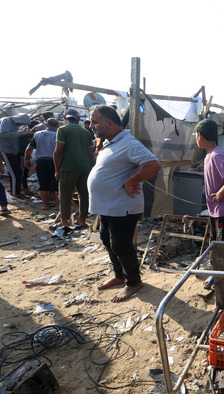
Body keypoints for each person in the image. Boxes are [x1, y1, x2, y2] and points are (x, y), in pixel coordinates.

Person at [88, 104, 161, 302]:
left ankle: (133, 282)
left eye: (95, 122)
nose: (91, 125)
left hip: (123, 206)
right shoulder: (109, 142)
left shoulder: (129, 143)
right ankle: (120, 276)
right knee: (106, 238)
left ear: (109, 123)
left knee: (121, 244)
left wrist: (131, 181)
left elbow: (153, 164)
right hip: (108, 205)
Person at [195, 119, 224, 290]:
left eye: (196, 135)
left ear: (200, 136)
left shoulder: (216, 155)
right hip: (215, 211)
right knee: (217, 243)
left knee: (222, 246)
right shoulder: (208, 156)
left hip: (223, 211)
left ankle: (222, 279)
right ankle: (219, 274)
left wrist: (221, 192)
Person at [54, 109, 94, 229]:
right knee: (84, 195)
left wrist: (57, 170)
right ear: (78, 120)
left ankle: (65, 222)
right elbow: (90, 154)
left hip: (67, 168)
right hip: (84, 168)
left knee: (65, 195)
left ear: (66, 119)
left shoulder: (62, 130)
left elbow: (58, 152)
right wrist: (89, 167)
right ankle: (82, 221)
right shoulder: (87, 133)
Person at [25, 118, 59, 210]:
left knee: (43, 184)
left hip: (41, 161)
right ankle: (57, 205)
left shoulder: (37, 134)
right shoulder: (58, 135)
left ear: (46, 125)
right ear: (57, 126)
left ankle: (45, 205)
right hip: (55, 161)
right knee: (56, 184)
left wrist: (26, 159)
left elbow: (29, 148)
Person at [0, 114, 32, 198]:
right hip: (6, 150)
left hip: (13, 151)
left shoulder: (14, 124)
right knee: (14, 173)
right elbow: (3, 133)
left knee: (17, 172)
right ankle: (15, 193)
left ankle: (16, 191)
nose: (21, 125)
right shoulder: (7, 121)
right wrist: (21, 133)